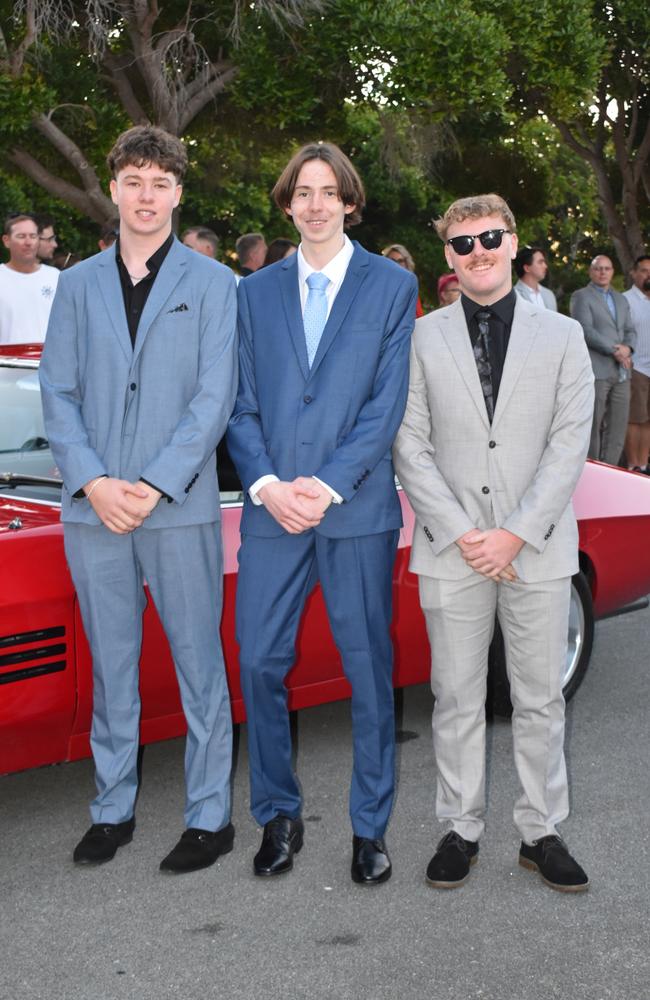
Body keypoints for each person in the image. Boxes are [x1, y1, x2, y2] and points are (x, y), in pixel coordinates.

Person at [39, 125, 238, 875]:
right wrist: (94, 481)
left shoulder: (217, 285)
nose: (146, 195)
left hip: (177, 507)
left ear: (178, 193)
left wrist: (153, 484)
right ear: (113, 188)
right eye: (133, 180)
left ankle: (209, 815)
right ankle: (112, 807)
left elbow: (214, 400)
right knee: (112, 664)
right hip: (95, 511)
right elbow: (57, 392)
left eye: (161, 182)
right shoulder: (77, 284)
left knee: (198, 664)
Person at [227, 142, 417, 885]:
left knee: (368, 668)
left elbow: (386, 403)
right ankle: (277, 813)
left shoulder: (390, 287)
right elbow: (238, 403)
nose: (313, 204)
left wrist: (329, 484)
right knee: (259, 661)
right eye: (300, 192)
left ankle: (369, 829)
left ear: (348, 201)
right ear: (286, 204)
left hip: (356, 508)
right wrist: (271, 484)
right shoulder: (252, 293)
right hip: (273, 510)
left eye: (326, 191)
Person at [393, 193, 594, 893]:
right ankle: (461, 827)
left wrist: (513, 534)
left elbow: (570, 446)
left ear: (512, 242)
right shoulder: (422, 337)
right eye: (461, 243)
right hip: (453, 550)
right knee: (454, 696)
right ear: (447, 258)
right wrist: (466, 535)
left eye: (488, 237)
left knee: (540, 699)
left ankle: (541, 831)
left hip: (536, 547)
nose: (476, 251)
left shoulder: (564, 336)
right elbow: (409, 445)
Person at [570, 255, 636, 465]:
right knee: (593, 424)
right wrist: (614, 350)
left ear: (612, 272)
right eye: (598, 268)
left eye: (607, 269)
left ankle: (612, 470)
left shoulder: (621, 299)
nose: (603, 272)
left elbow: (630, 330)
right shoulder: (581, 296)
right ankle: (592, 469)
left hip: (622, 372)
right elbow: (585, 330)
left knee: (618, 426)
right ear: (591, 272)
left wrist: (627, 348)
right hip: (596, 370)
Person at [0, 214, 59, 344]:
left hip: (48, 361)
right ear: (6, 241)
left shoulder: (56, 277)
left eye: (33, 236)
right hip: (6, 362)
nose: (28, 242)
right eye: (21, 236)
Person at [623, 255, 650, 473]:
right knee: (634, 419)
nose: (648, 275)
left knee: (648, 420)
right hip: (637, 368)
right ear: (634, 273)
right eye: (644, 270)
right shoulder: (626, 300)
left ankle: (643, 464)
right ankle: (633, 465)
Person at [382, 243, 424, 317]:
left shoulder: (411, 289)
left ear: (406, 264)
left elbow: (419, 319)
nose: (396, 264)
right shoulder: (378, 288)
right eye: (392, 260)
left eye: (400, 261)